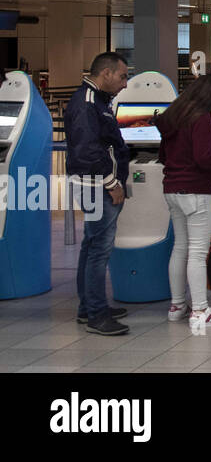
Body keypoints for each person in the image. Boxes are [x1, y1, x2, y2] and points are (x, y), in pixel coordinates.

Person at [157, 73, 211, 331]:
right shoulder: (202, 119)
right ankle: (200, 310)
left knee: (180, 248)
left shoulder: (173, 117)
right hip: (195, 191)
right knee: (196, 252)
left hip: (172, 189)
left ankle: (177, 306)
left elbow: (163, 155)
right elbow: (204, 158)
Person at [65, 51, 132, 336]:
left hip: (95, 184)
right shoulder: (88, 103)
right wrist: (111, 183)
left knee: (91, 246)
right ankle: (96, 314)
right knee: (98, 250)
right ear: (105, 73)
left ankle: (88, 308)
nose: (125, 83)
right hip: (97, 186)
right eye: (122, 76)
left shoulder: (98, 101)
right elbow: (88, 150)